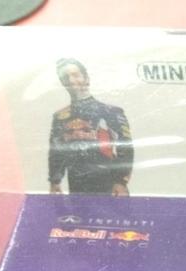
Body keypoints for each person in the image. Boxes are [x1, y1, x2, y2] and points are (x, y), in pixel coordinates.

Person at [48, 58, 134, 196]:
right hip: (76, 185)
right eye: (65, 77)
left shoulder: (110, 111)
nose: (71, 80)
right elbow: (56, 151)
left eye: (75, 75)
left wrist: (121, 182)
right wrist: (55, 181)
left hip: (109, 184)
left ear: (86, 78)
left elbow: (125, 147)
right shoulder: (59, 117)